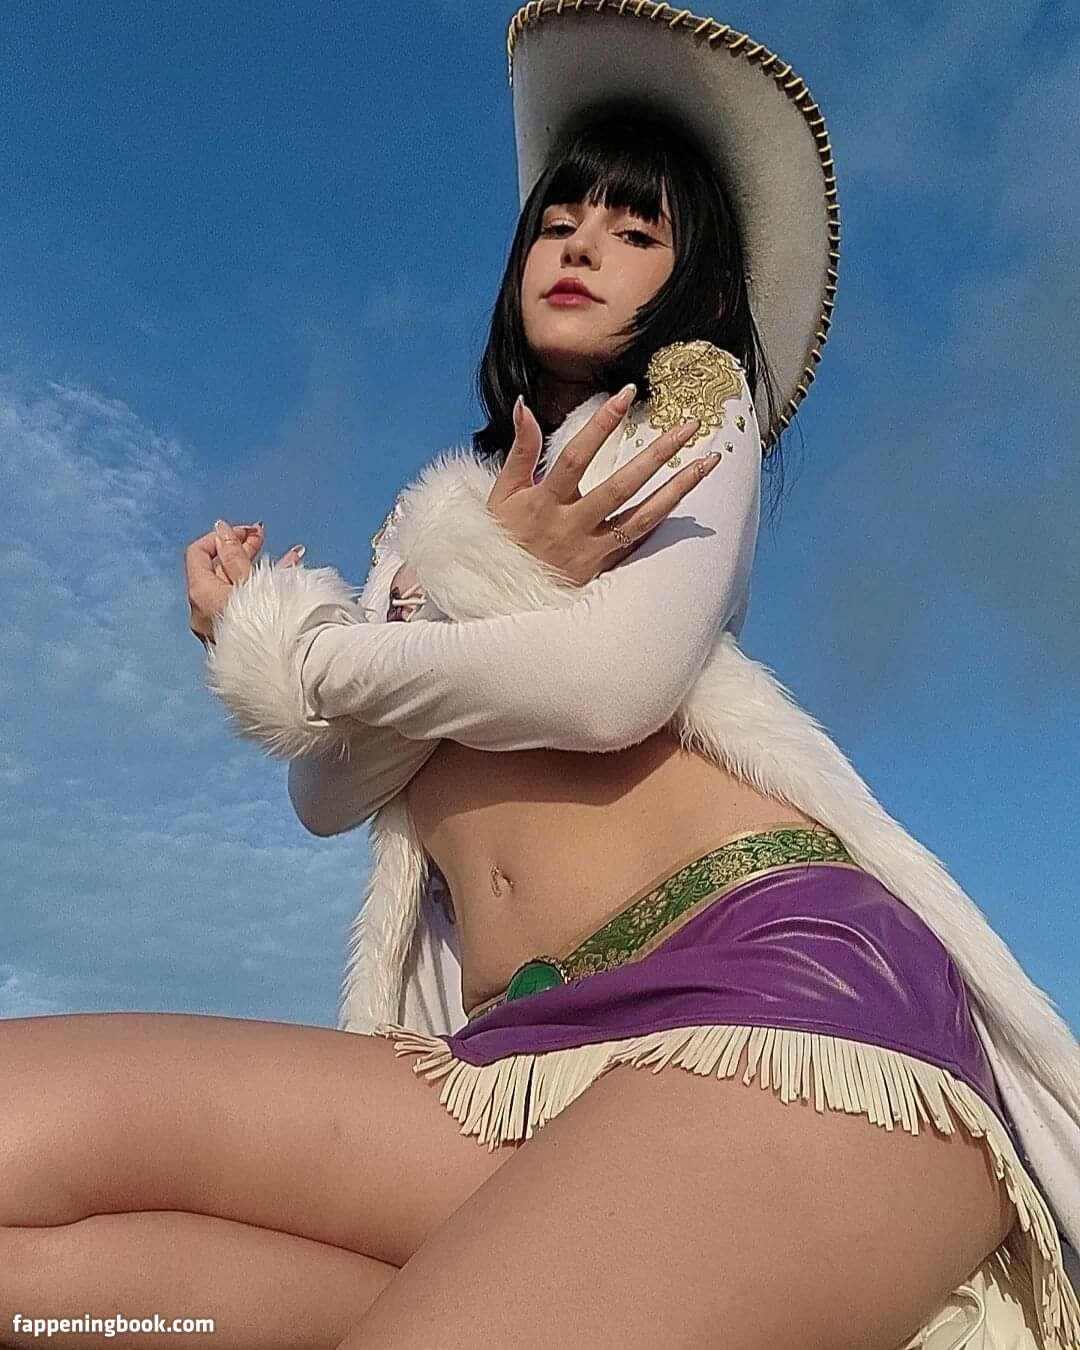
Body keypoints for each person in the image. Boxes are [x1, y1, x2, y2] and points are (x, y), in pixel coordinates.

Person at [4, 8, 1077, 1350]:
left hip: (774, 1002)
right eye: (560, 220)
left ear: (693, 289)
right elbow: (329, 790)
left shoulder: (690, 410)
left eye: (635, 231)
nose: (579, 244)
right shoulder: (433, 532)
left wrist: (288, 643)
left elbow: (609, 687)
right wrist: (428, 592)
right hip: (507, 1064)